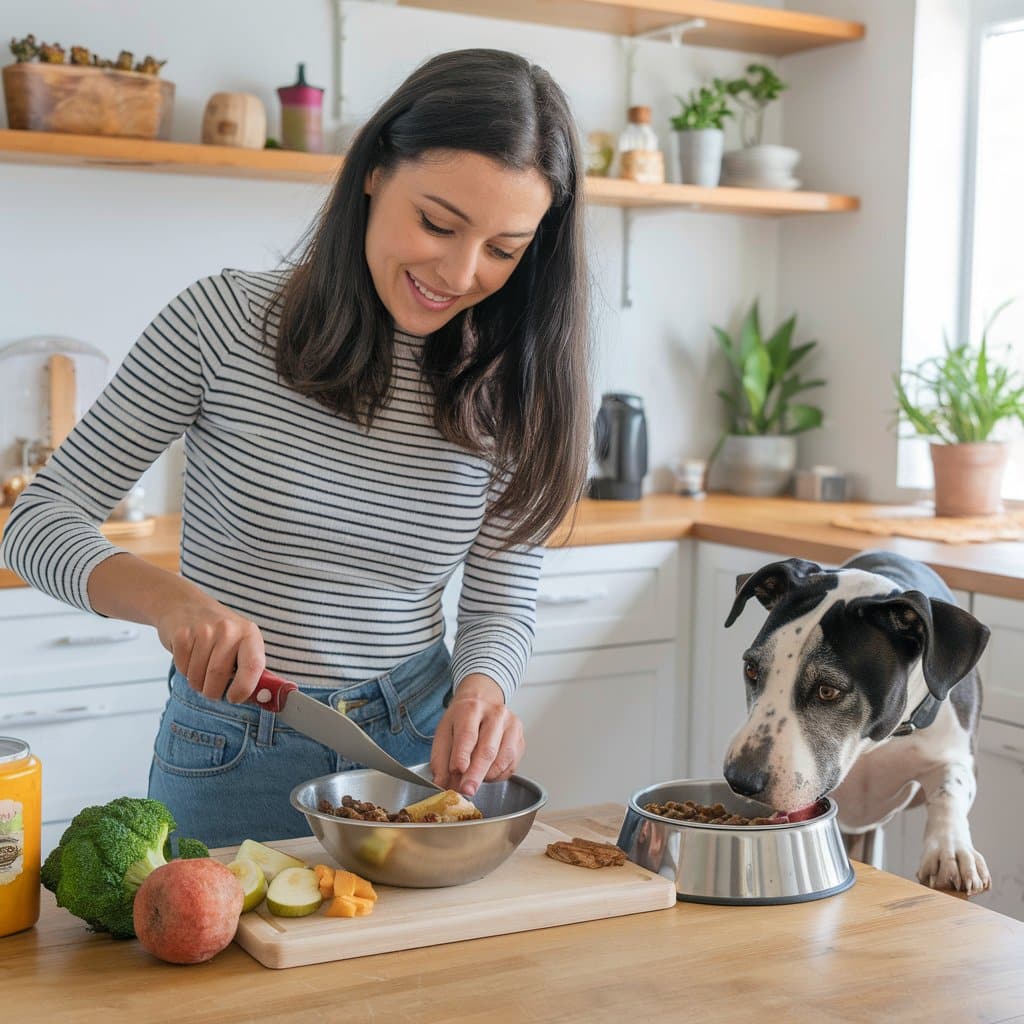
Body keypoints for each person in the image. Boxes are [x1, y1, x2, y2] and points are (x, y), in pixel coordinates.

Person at [1, 48, 590, 848]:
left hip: (414, 746)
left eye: (503, 249)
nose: (458, 272)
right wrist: (173, 604)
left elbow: (498, 600)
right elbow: (36, 522)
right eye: (438, 223)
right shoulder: (220, 324)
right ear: (375, 173)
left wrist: (483, 690)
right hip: (232, 742)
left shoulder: (509, 383)